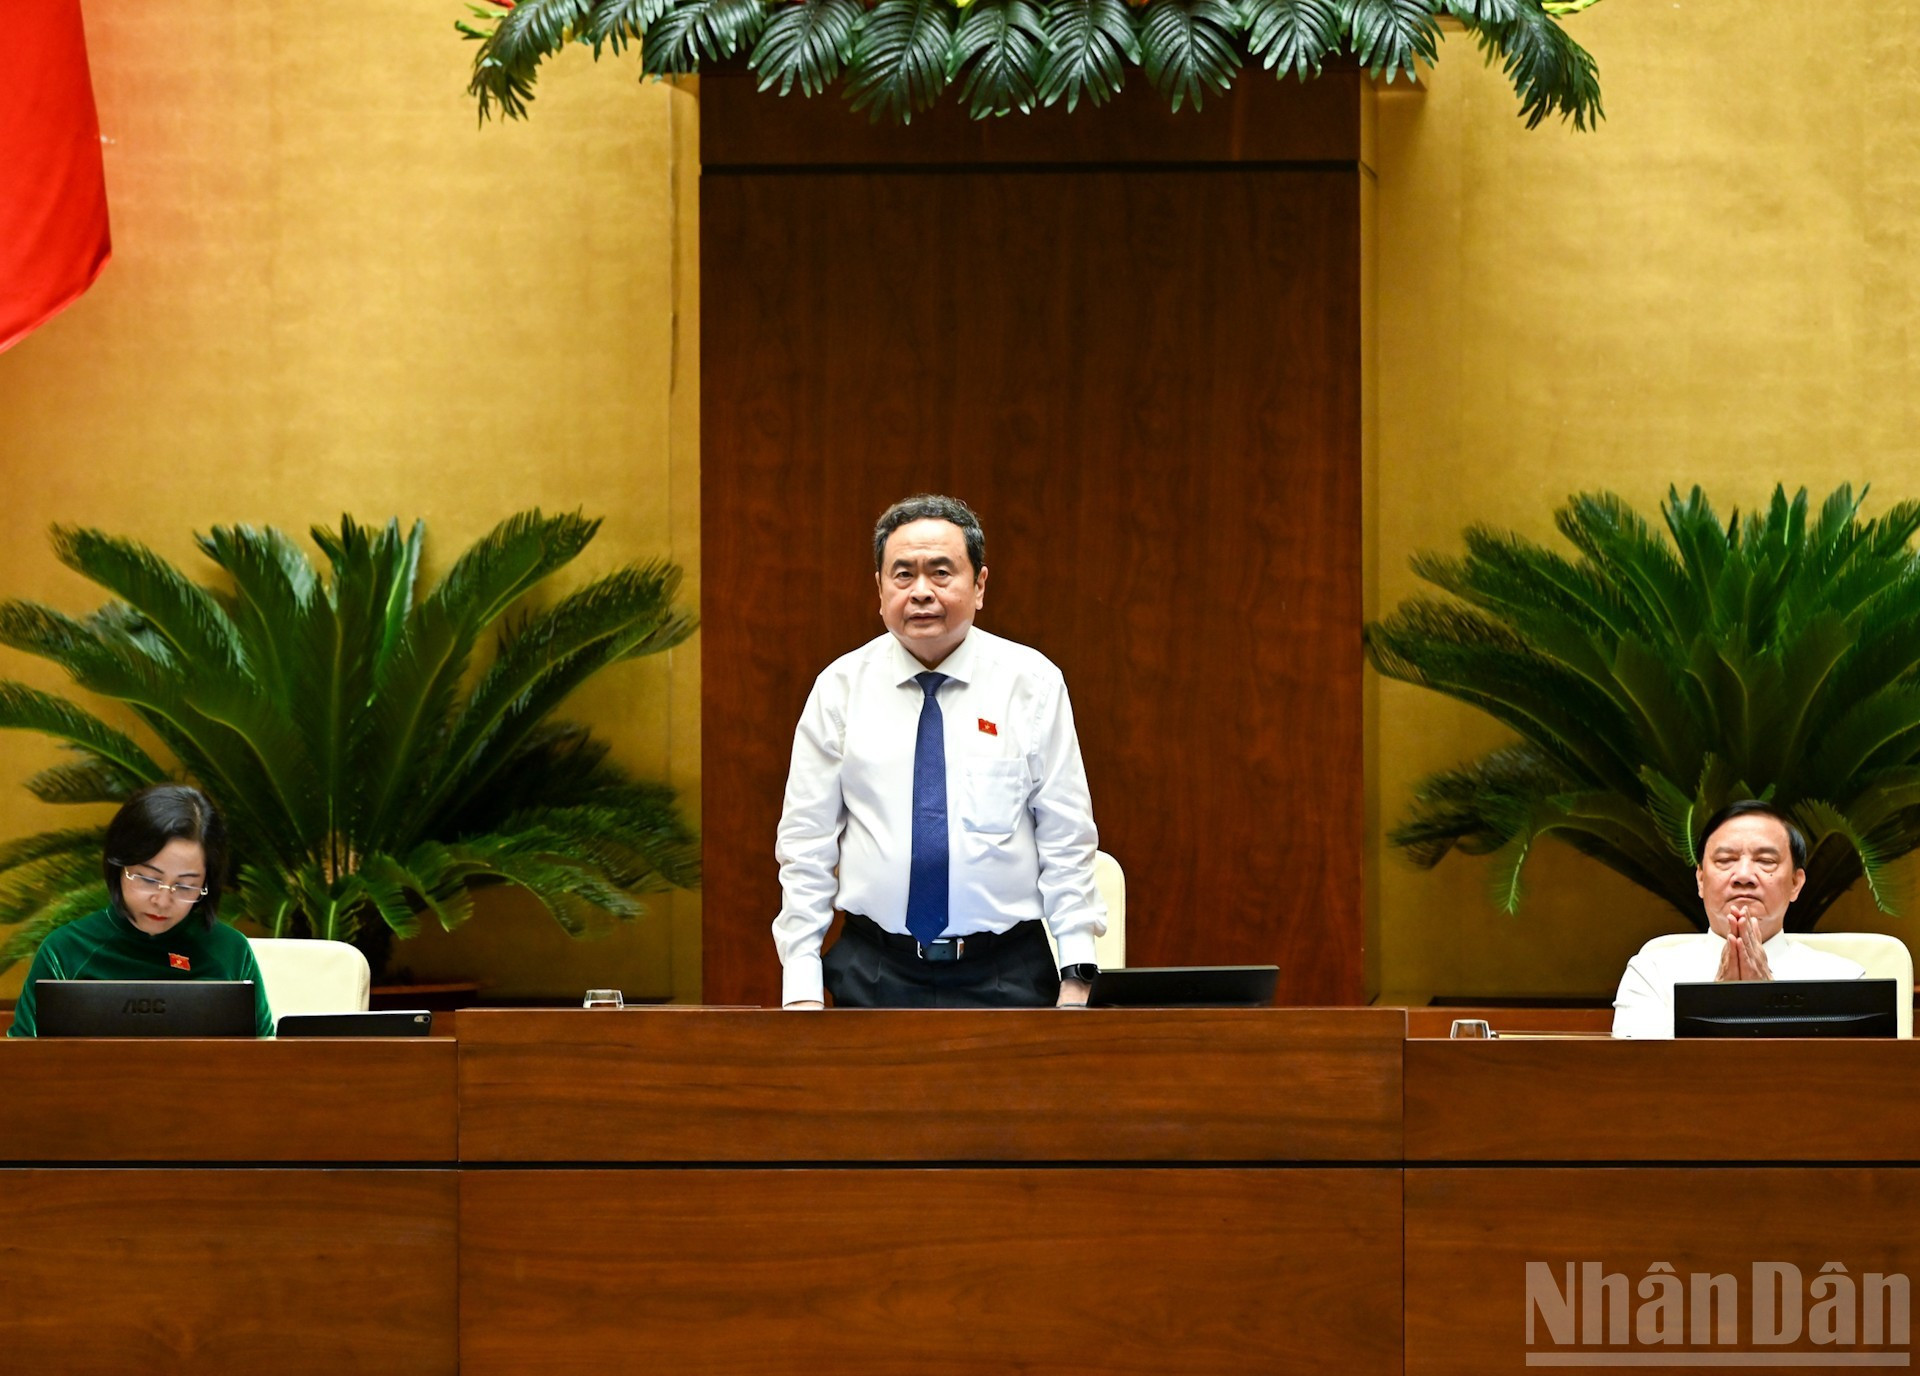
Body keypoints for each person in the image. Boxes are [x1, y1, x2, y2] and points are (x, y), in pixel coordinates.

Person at [773, 494, 1107, 1009]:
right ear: (879, 589)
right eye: (902, 574)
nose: (921, 592)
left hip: (1008, 971)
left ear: (979, 586)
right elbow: (806, 845)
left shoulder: (1033, 684)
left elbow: (1066, 837)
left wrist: (1077, 974)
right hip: (874, 970)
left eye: (941, 573)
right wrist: (800, 984)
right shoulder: (839, 689)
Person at [8, 783, 274, 1038]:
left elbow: (268, 1060)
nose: (162, 900)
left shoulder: (229, 951)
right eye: (148, 879)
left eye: (185, 886)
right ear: (119, 865)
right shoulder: (66, 951)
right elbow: (21, 1061)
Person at [1611, 799, 1863, 1038]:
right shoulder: (1651, 973)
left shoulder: (1844, 979)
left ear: (1796, 883)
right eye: (1725, 860)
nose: (1743, 875)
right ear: (1700, 880)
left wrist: (1768, 1004)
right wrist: (1715, 1006)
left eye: (1765, 861)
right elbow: (1634, 1070)